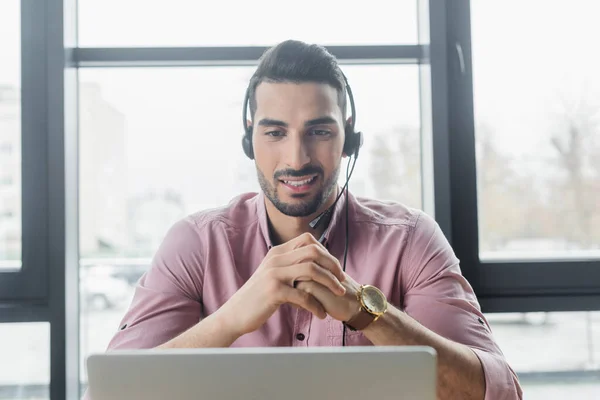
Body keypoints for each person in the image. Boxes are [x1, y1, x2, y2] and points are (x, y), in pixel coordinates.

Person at [94, 40, 522, 399]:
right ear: (249, 137)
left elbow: (498, 394)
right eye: (275, 132)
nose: (296, 159)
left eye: (319, 131)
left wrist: (365, 311)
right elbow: (111, 393)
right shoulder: (195, 243)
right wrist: (232, 317)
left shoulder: (410, 240)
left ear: (348, 136)